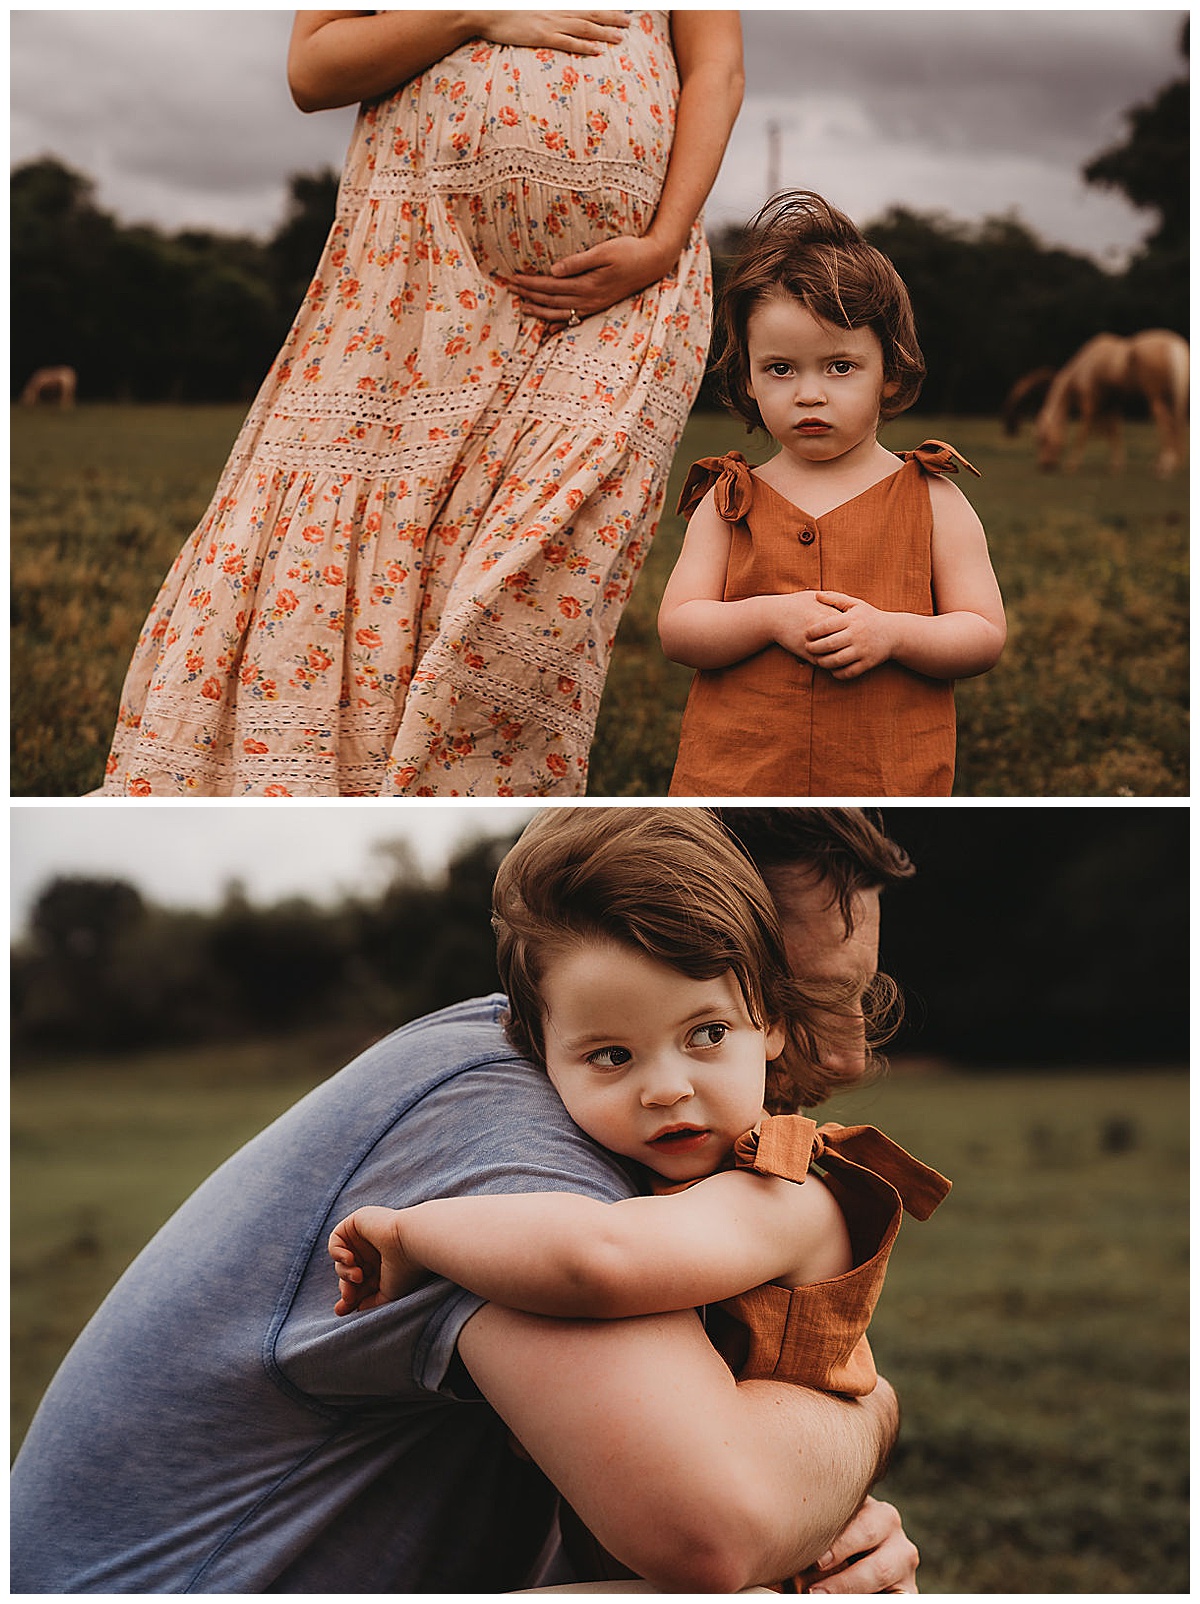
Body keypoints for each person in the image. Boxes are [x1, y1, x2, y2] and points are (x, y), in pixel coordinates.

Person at [9, 807, 921, 1593]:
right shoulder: (504, 1113)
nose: (841, 1059)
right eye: (811, 998)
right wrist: (858, 1420)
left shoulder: (685, 1146)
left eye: (861, 997)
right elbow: (712, 1525)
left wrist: (823, 1523)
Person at [95, 11, 744, 796]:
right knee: (349, 554)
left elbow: (717, 69)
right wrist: (472, 13)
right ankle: (330, 789)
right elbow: (314, 69)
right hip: (410, 264)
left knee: (541, 571)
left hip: (634, 290)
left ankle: (464, 791)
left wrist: (665, 239)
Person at [327, 808, 950, 1586]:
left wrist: (414, 1233)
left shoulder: (789, 1188)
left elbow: (600, 1258)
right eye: (613, 1054)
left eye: (707, 1034)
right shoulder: (513, 1119)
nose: (666, 1087)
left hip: (771, 1562)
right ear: (536, 1050)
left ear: (770, 1020)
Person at [658, 190, 1007, 797]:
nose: (809, 394)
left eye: (840, 367)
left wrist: (894, 634)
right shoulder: (729, 499)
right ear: (747, 375)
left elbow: (981, 633)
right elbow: (680, 629)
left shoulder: (933, 499)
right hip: (738, 781)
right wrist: (768, 617)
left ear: (889, 370)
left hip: (882, 779)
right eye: (780, 369)